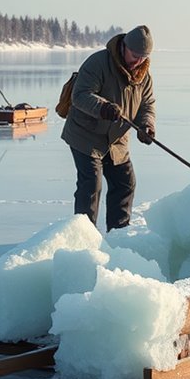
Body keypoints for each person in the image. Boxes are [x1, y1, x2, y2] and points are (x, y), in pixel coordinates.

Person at [61, 25, 156, 230]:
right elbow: (80, 96)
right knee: (91, 185)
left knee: (125, 182)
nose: (137, 61)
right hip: (86, 135)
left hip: (116, 142)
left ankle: (118, 232)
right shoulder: (99, 63)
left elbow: (147, 104)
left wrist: (146, 126)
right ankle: (85, 236)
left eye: (143, 57)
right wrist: (103, 108)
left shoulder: (143, 75)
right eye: (134, 55)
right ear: (124, 47)